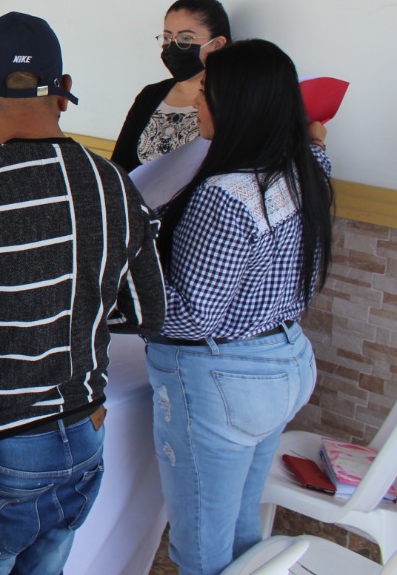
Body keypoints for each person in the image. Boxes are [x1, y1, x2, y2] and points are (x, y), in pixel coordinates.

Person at [0, 11, 167, 575]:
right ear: (63, 92)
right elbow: (146, 311)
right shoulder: (115, 184)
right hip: (85, 436)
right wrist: (70, 304)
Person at [148, 39, 332, 575]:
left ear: (238, 103)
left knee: (202, 550)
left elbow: (193, 316)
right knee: (243, 530)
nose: (196, 104)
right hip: (285, 362)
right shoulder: (308, 167)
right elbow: (317, 143)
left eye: (206, 92)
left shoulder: (226, 195)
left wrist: (122, 285)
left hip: (224, 381)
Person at [112, 0, 231, 173]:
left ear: (217, 44)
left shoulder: (231, 102)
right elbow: (119, 165)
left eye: (185, 38)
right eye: (167, 38)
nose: (173, 46)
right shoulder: (150, 95)